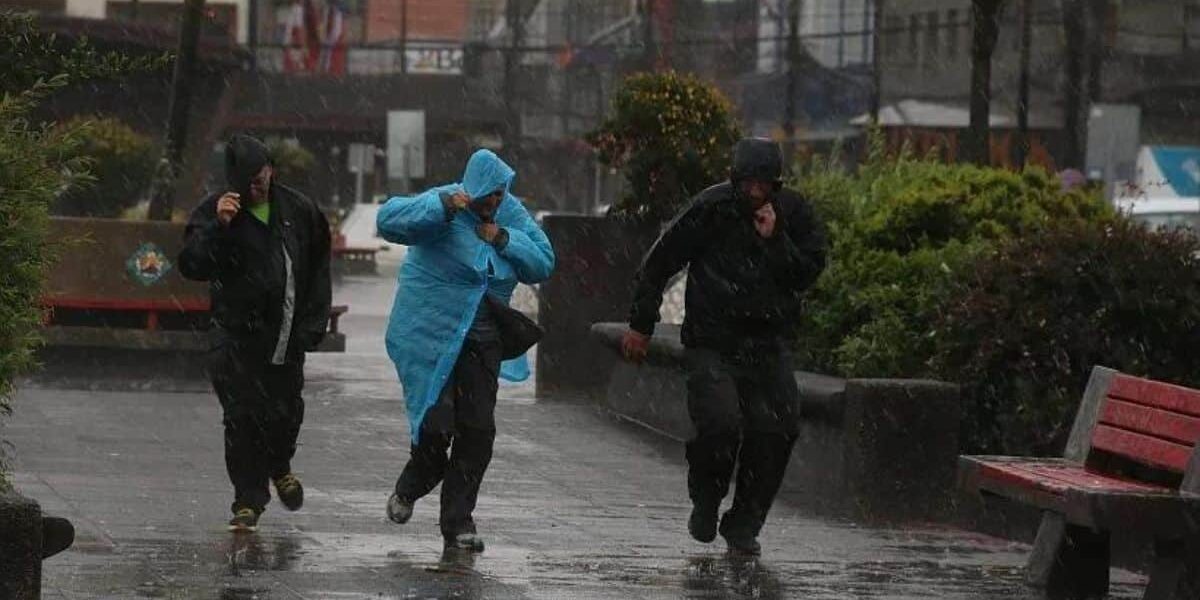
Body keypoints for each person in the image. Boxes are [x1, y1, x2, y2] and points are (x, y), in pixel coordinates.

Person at [620, 137, 827, 556]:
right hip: (712, 341)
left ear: (776, 184)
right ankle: (707, 499)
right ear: (735, 179)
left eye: (763, 184)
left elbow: (806, 271)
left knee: (778, 429)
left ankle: (745, 523)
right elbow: (659, 263)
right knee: (720, 424)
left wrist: (776, 239)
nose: (754, 192)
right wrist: (642, 324)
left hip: (768, 343)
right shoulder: (709, 208)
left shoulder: (793, 213)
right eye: (747, 183)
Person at [377, 149, 555, 552]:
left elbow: (543, 262)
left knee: (477, 431)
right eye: (487, 194)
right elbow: (389, 220)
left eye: (499, 193)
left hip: (483, 341)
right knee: (437, 428)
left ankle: (458, 522)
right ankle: (410, 488)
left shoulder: (509, 214)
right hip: (431, 336)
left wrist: (504, 239)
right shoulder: (448, 203)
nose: (493, 202)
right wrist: (441, 207)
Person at [179, 134, 332, 532]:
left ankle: (280, 466)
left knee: (284, 412)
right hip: (234, 337)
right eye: (248, 180)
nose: (256, 186)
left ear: (271, 170)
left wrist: (313, 325)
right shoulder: (215, 210)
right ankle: (248, 499)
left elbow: (317, 270)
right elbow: (193, 264)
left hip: (285, 335)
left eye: (261, 176)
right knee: (242, 417)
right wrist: (219, 226)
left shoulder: (299, 210)